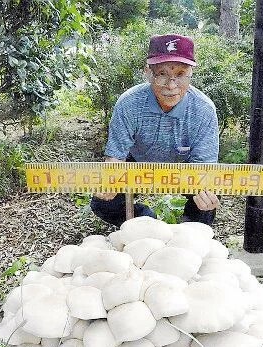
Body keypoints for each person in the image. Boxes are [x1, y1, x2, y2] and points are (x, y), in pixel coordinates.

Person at [90, 33, 220, 228]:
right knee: (103, 203)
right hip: (137, 160)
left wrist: (206, 193)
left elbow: (204, 169)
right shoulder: (129, 103)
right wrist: (109, 181)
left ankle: (183, 234)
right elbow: (115, 158)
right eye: (162, 74)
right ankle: (145, 220)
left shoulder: (203, 109)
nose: (171, 85)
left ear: (190, 74)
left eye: (180, 74)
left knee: (205, 206)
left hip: (186, 167)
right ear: (148, 73)